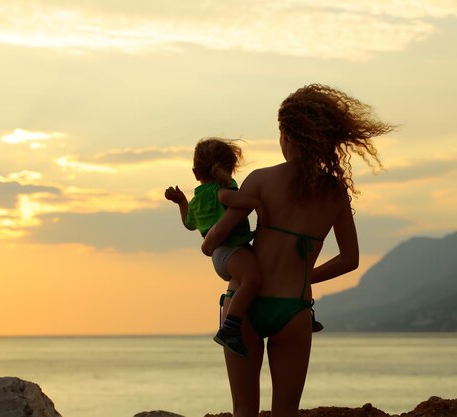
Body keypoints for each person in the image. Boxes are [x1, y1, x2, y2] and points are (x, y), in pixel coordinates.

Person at [201, 84, 395, 417]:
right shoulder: (334, 192)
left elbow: (218, 237)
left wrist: (207, 239)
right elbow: (350, 260)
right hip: (294, 308)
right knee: (286, 412)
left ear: (287, 136)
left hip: (244, 306)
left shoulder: (260, 180)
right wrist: (304, 277)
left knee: (244, 409)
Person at [165, 137, 263, 358]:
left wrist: (181, 201)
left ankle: (234, 323)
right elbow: (227, 197)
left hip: (220, 256)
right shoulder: (222, 189)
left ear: (195, 172)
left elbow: (189, 223)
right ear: (229, 168)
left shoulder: (197, 198)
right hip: (231, 250)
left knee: (243, 284)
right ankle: (230, 327)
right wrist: (256, 203)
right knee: (253, 280)